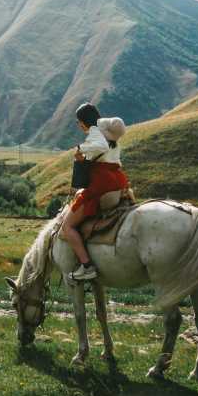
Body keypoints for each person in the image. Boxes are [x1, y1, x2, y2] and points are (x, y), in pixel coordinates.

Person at [61, 102, 129, 282]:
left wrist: (79, 149)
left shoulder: (94, 132)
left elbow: (100, 147)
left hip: (101, 185)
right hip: (118, 181)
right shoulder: (109, 134)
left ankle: (87, 266)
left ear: (84, 122)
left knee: (67, 226)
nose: (78, 125)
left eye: (78, 122)